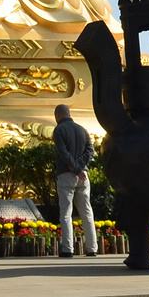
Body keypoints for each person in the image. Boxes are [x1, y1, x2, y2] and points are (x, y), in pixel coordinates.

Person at [53, 102, 98, 258]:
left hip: (67, 174)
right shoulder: (82, 129)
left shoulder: (59, 130)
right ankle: (92, 248)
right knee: (87, 212)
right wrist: (81, 166)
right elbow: (90, 150)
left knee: (66, 213)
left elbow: (63, 153)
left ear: (58, 115)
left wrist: (75, 168)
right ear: (69, 114)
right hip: (83, 175)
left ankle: (68, 248)